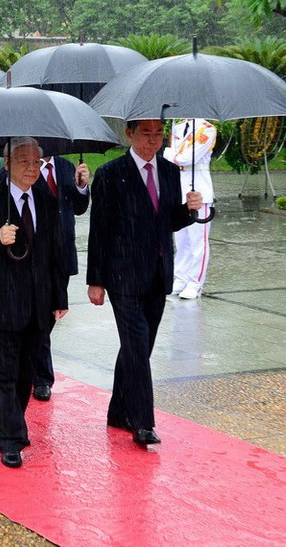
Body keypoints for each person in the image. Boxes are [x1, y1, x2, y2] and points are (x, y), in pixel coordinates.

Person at [87, 119, 202, 447]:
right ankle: (142, 422)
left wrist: (189, 210)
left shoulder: (169, 171)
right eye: (146, 134)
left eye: (158, 134)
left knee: (138, 348)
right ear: (130, 134)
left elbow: (168, 221)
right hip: (122, 276)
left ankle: (118, 410)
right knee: (137, 347)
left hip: (158, 274)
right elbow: (100, 230)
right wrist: (95, 281)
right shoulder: (110, 174)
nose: (152, 141)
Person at [0, 138, 68, 468]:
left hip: (38, 304)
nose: (31, 168)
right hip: (0, 304)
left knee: (25, 374)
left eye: (36, 162)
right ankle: (8, 437)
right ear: (6, 164)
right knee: (2, 375)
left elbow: (56, 252)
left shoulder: (47, 200)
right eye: (23, 161)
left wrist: (59, 297)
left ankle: (11, 424)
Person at [31, 155, 89, 401]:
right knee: (41, 315)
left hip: (63, 252)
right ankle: (42, 377)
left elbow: (79, 207)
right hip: (35, 254)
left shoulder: (65, 166)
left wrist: (81, 186)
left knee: (49, 315)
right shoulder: (26, 163)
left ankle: (32, 358)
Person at [164, 119, 217, 299]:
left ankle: (195, 283)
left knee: (197, 242)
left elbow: (186, 158)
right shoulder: (177, 127)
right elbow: (171, 160)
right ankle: (180, 278)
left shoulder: (207, 129)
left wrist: (171, 154)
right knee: (181, 240)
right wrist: (173, 155)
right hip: (179, 190)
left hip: (199, 192)